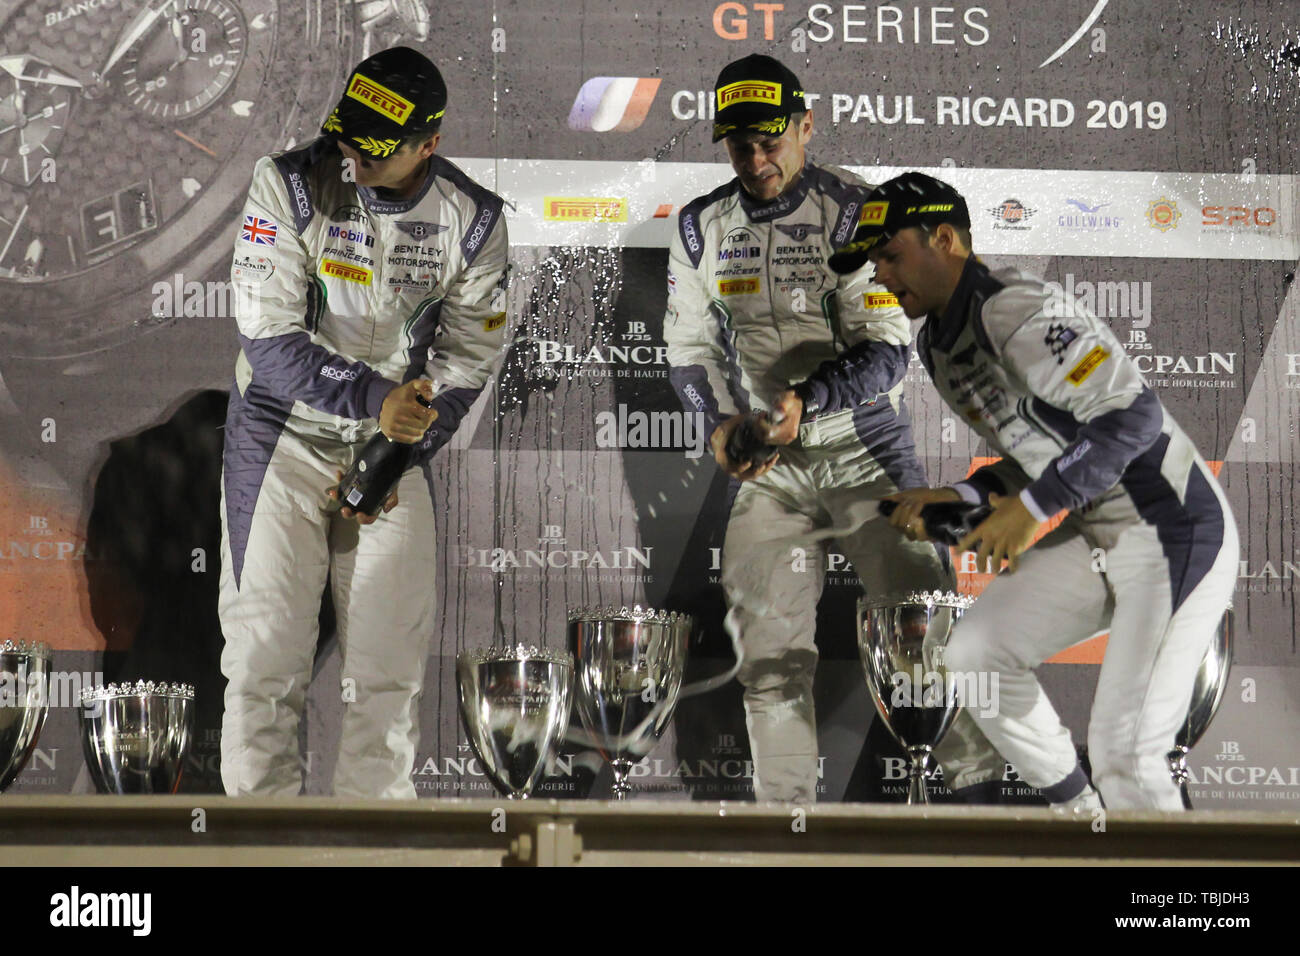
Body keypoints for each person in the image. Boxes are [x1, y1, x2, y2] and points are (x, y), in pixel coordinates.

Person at [828, 171, 1238, 810]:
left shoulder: (1012, 307)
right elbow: (1039, 454)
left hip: (1173, 526)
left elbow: (1131, 418)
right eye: (873, 261)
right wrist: (963, 499)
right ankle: (1086, 823)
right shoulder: (938, 341)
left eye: (889, 253)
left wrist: (1031, 510)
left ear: (944, 237)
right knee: (976, 653)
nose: (879, 274)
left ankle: (1186, 909)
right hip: (1100, 534)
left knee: (1126, 752)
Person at [664, 54, 1004, 804]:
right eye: (738, 145)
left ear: (805, 126)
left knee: (923, 632)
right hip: (771, 467)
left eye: (771, 141)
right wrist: (721, 424)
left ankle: (983, 807)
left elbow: (888, 354)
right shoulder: (700, 226)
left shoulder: (857, 210)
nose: (756, 161)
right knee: (769, 655)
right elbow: (686, 348)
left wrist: (803, 401)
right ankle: (787, 827)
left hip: (863, 450)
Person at [218, 46, 508, 798]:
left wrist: (394, 450)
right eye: (345, 135)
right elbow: (268, 338)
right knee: (263, 664)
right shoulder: (284, 182)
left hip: (389, 449)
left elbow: (469, 359)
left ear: (429, 144)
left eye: (373, 150)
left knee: (386, 678)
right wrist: (377, 396)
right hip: (280, 439)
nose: (348, 158)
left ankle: (373, 853)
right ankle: (257, 857)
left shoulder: (474, 222)